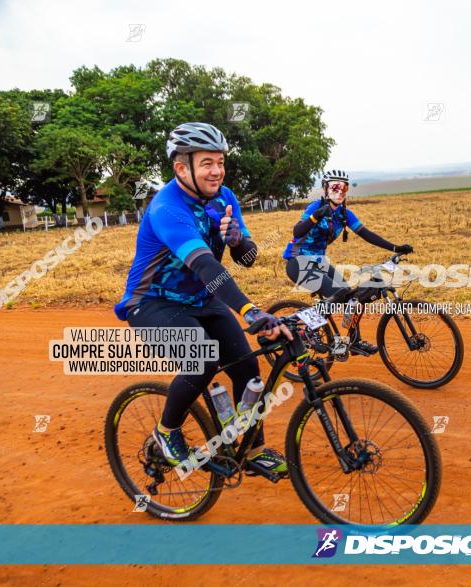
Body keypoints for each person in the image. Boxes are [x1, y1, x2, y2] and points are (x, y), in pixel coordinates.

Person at [114, 122, 292, 476]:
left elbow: (246, 259)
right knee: (201, 358)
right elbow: (206, 266)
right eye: (207, 163)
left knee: (246, 365)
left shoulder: (225, 198)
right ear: (182, 168)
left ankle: (251, 449)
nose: (217, 171)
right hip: (152, 302)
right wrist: (249, 310)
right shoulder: (167, 207)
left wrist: (237, 240)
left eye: (221, 162)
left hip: (200, 297)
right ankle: (166, 433)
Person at [283, 169, 413, 354]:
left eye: (343, 188)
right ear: (325, 189)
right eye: (335, 187)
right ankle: (307, 333)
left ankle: (354, 342)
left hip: (319, 262)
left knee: (351, 298)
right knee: (337, 293)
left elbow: (366, 234)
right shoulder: (315, 207)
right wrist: (316, 216)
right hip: (297, 261)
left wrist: (395, 248)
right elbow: (297, 232)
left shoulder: (344, 214)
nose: (339, 192)